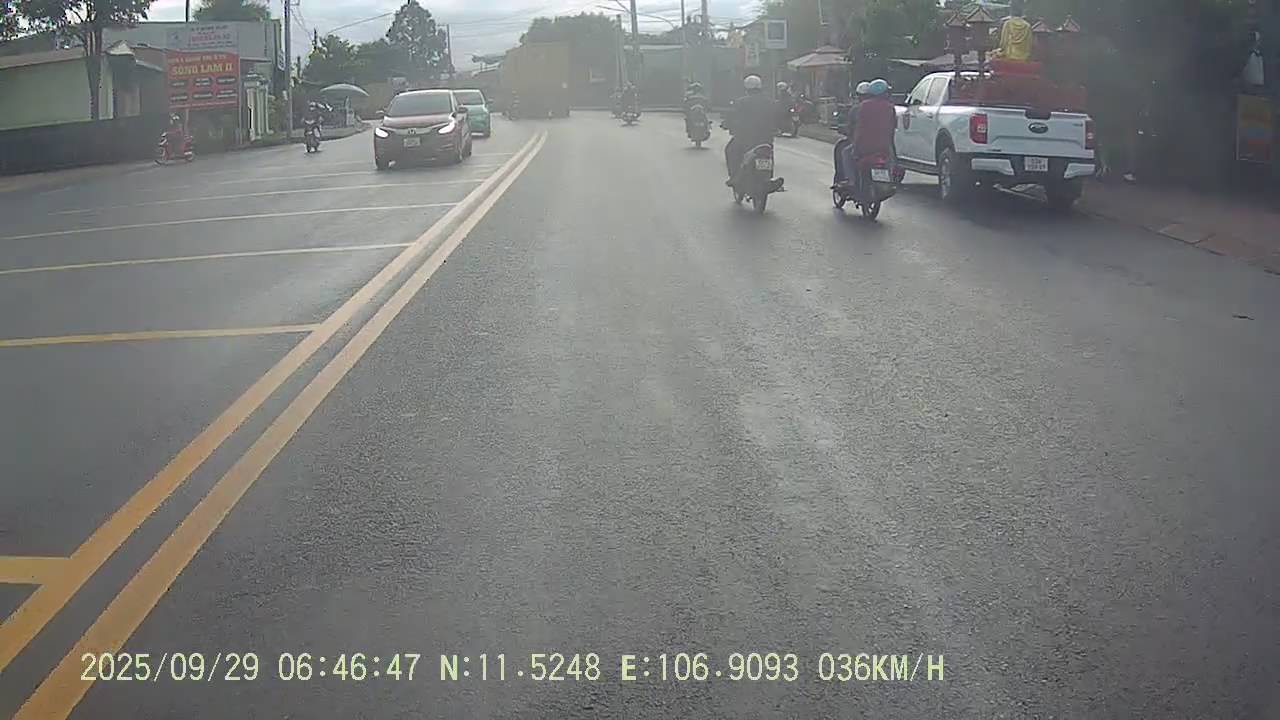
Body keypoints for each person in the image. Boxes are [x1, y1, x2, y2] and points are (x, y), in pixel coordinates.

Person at [723, 74, 784, 191]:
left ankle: (734, 177)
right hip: (765, 139)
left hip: (744, 139)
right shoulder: (771, 102)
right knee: (768, 154)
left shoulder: (741, 102)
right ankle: (768, 178)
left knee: (730, 150)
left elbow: (732, 117)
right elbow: (778, 118)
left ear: (746, 88)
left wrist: (727, 124)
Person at [848, 79, 897, 197]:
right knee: (892, 159)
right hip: (883, 147)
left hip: (864, 147)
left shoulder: (862, 107)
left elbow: (859, 129)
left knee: (848, 155)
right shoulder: (890, 108)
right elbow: (892, 129)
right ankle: (890, 181)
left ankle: (851, 181)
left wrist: (856, 147)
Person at [835, 81, 872, 185]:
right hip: (882, 144)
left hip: (861, 144)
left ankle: (850, 180)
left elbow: (850, 128)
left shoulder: (856, 109)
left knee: (845, 153)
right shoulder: (885, 107)